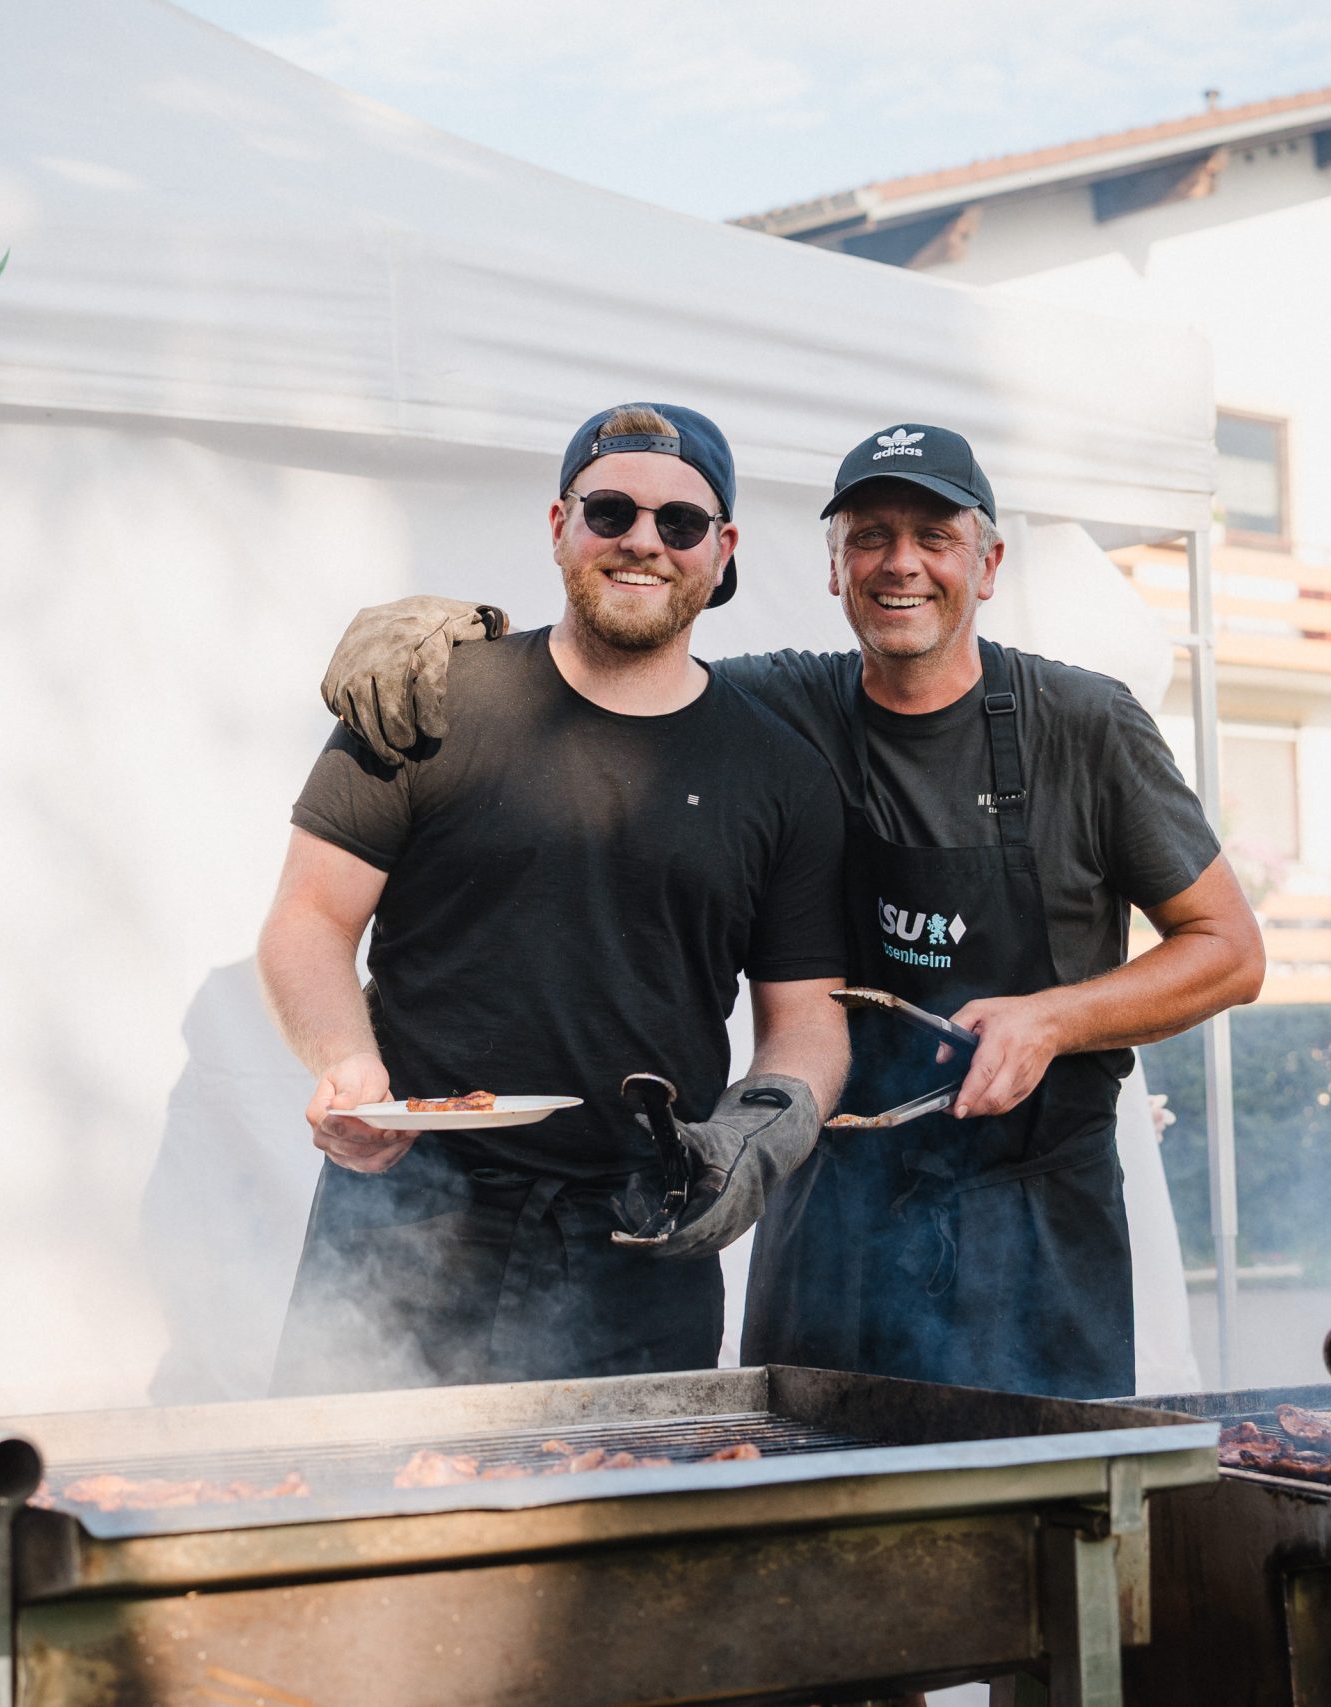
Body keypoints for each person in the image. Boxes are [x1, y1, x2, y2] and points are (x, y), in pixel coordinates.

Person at [316, 423, 1265, 1399]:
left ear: (987, 565)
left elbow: (1229, 951)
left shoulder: (1086, 725)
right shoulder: (777, 706)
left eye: (935, 537)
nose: (901, 564)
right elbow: (621, 663)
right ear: (833, 565)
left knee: (1030, 1518)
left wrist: (1051, 1018)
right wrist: (450, 638)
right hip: (828, 1214)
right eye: (869, 536)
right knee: (809, 1510)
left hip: (1027, 1226)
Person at [255, 402, 851, 1396]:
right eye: (609, 510)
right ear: (557, 524)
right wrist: (349, 1067)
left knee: (615, 1540)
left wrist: (756, 1136)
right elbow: (309, 918)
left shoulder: (780, 772)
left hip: (639, 1240)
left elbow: (809, 1021)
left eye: (680, 523)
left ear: (723, 547)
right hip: (405, 1212)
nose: (642, 543)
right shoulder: (425, 695)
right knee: (351, 1522)